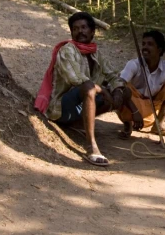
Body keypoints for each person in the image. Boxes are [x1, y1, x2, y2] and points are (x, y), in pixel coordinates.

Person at [35, 11, 135, 166]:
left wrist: (116, 91)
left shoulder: (95, 53)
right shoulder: (67, 50)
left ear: (92, 31)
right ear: (72, 33)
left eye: (83, 27)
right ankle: (91, 147)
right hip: (63, 107)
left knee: (124, 90)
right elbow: (77, 80)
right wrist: (103, 90)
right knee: (89, 88)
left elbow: (114, 76)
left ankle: (127, 123)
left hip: (82, 102)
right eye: (75, 29)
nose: (80, 31)